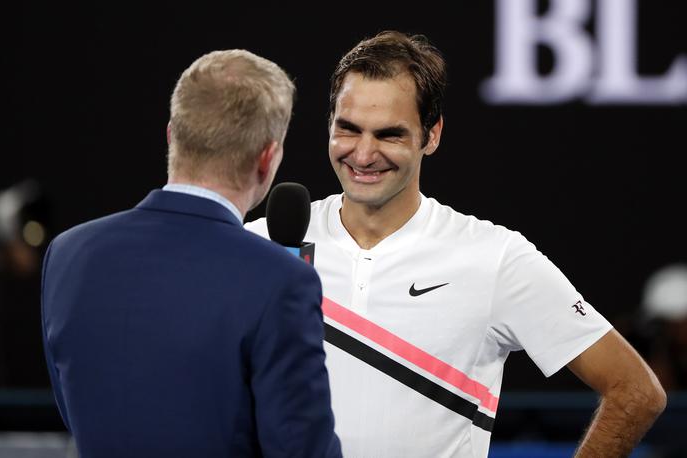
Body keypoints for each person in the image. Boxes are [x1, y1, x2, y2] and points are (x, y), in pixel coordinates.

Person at [246, 31, 666, 457]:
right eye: (348, 129)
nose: (364, 154)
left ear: (432, 135)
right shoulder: (260, 245)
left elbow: (636, 391)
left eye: (389, 135)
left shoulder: (495, 258)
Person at [41, 50, 341, 458]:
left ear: (172, 134)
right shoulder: (280, 279)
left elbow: (75, 411)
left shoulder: (68, 254)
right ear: (268, 158)